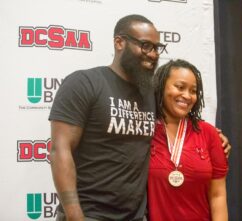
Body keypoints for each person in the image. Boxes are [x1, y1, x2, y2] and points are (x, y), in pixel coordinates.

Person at [49, 14, 230, 221]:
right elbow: (60, 150)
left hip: (135, 217)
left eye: (156, 48)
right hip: (89, 214)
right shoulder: (84, 83)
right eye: (145, 46)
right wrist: (74, 216)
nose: (152, 54)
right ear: (119, 42)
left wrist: (214, 137)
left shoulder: (150, 93)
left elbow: (177, 114)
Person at [147, 59, 228, 221]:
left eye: (193, 91)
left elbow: (217, 195)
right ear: (161, 87)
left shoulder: (209, 133)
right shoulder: (144, 131)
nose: (187, 96)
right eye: (180, 87)